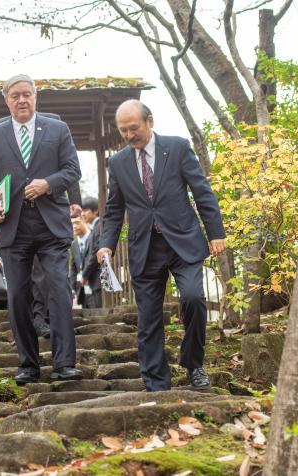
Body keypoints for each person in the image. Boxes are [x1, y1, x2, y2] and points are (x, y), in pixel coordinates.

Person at [97, 99, 226, 392]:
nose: (129, 135)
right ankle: (157, 383)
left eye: (134, 128)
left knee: (193, 298)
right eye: (123, 130)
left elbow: (202, 191)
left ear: (150, 122)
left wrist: (215, 232)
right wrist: (107, 244)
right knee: (149, 318)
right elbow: (115, 209)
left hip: (183, 241)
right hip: (145, 247)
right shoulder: (117, 163)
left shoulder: (178, 147)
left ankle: (194, 364)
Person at [0, 74, 83, 385]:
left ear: (36, 97)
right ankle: (28, 365)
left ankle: (64, 364)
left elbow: (72, 169)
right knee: (19, 296)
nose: (22, 100)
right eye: (15, 96)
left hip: (51, 224)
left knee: (59, 290)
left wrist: (49, 183)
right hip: (13, 226)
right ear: (6, 100)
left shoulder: (57, 129)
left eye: (27, 94)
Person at [80, 197, 102, 308]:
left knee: (101, 313)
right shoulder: (93, 229)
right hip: (94, 280)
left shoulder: (99, 227)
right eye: (81, 211)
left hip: (99, 278)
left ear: (96, 211)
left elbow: (95, 253)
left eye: (85, 210)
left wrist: (84, 274)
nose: (82, 214)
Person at [69, 216, 89, 306]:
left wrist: (85, 275)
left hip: (95, 284)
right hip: (82, 288)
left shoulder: (94, 236)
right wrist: (72, 288)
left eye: (77, 222)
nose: (74, 226)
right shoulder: (74, 244)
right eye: (72, 223)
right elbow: (73, 268)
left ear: (84, 221)